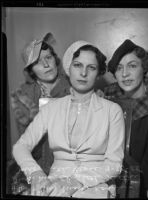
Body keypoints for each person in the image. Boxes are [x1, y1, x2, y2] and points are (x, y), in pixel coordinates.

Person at [12, 40, 125, 198]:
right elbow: (20, 147)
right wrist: (35, 173)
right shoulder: (51, 108)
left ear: (98, 73)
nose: (83, 73)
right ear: (68, 68)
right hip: (53, 183)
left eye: (91, 67)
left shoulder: (113, 110)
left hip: (95, 184)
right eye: (77, 65)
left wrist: (75, 182)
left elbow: (114, 165)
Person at [11, 33, 70, 175]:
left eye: (48, 57)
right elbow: (26, 144)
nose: (46, 64)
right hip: (38, 164)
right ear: (31, 70)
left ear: (55, 59)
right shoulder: (24, 95)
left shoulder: (73, 85)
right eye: (37, 62)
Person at [104, 39, 148, 198]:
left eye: (132, 66)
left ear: (144, 68)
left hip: (143, 183)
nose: (125, 74)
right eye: (119, 68)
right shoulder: (106, 97)